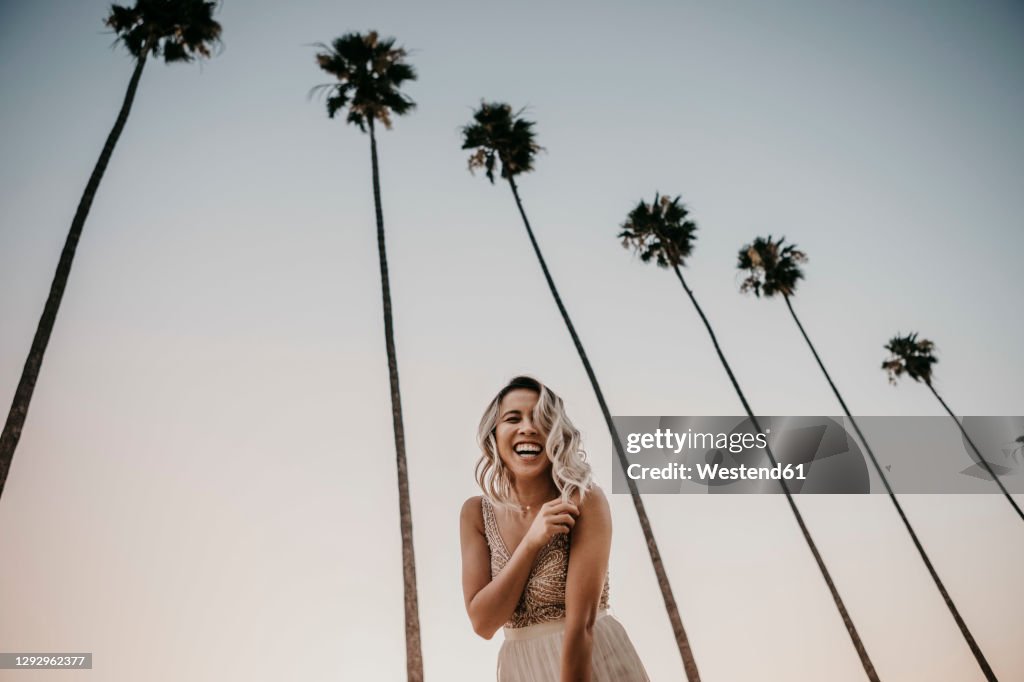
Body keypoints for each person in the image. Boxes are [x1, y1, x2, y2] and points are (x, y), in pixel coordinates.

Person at [460, 376, 650, 681]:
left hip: (591, 664)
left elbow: (582, 626)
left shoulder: (585, 500)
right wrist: (532, 541)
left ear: (557, 435)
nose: (528, 427)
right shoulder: (475, 514)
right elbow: (483, 623)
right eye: (513, 418)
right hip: (521, 669)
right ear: (494, 434)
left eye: (541, 418)